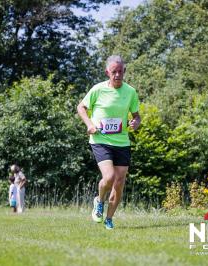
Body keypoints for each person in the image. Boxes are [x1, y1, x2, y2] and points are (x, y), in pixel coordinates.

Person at [77, 55, 141, 229]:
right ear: (107, 72)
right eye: (114, 72)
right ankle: (99, 200)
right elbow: (81, 107)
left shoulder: (130, 92)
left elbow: (136, 116)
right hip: (100, 140)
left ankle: (109, 219)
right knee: (109, 177)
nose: (118, 75)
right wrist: (89, 124)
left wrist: (136, 122)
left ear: (124, 72)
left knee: (119, 182)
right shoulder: (97, 89)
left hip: (122, 141)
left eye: (121, 71)